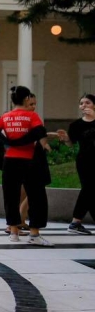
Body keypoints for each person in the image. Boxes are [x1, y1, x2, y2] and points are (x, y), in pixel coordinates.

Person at [0, 86, 50, 245]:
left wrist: (9, 142)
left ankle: (14, 232)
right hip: (29, 159)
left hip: (10, 159)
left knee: (10, 195)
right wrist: (23, 142)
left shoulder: (5, 117)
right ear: (27, 98)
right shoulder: (32, 116)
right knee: (36, 195)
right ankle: (34, 234)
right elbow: (40, 132)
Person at [58, 94, 95, 235]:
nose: (84, 105)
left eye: (87, 102)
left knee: (91, 190)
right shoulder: (76, 125)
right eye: (81, 103)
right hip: (85, 160)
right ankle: (76, 221)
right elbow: (71, 143)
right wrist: (65, 138)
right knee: (89, 188)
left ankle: (76, 222)